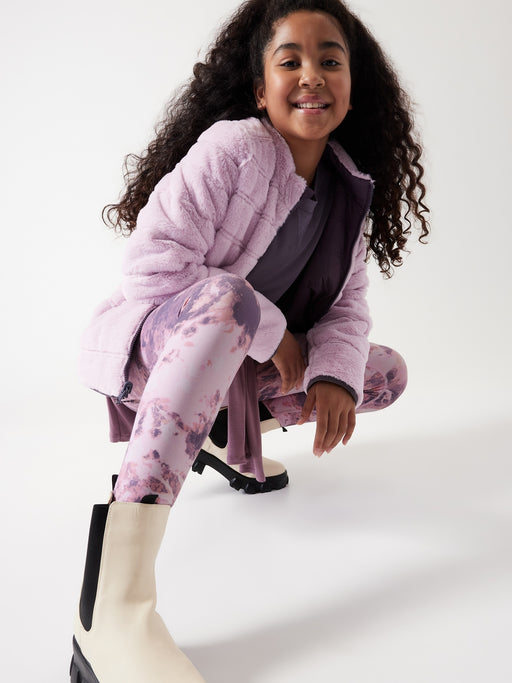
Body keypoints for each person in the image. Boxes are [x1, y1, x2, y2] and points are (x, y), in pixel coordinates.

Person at [70, 0, 429, 681]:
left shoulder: (349, 188)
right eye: (290, 60)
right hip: (159, 347)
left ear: (352, 89)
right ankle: (114, 608)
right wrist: (271, 328)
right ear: (261, 91)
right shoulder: (235, 149)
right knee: (229, 301)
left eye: (330, 60)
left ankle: (216, 431)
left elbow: (348, 309)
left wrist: (331, 375)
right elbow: (150, 267)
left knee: (381, 373)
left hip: (236, 364)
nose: (311, 74)